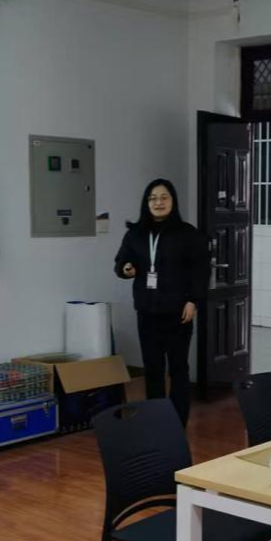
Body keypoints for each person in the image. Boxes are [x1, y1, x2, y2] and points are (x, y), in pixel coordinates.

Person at [113, 179, 208, 426]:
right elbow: (120, 262)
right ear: (146, 203)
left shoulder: (188, 234)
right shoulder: (135, 234)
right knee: (152, 368)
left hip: (178, 312)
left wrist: (193, 301)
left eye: (164, 197)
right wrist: (126, 268)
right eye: (153, 198)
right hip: (147, 312)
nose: (158, 202)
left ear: (173, 201)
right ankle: (156, 422)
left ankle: (178, 422)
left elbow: (200, 270)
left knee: (178, 368)